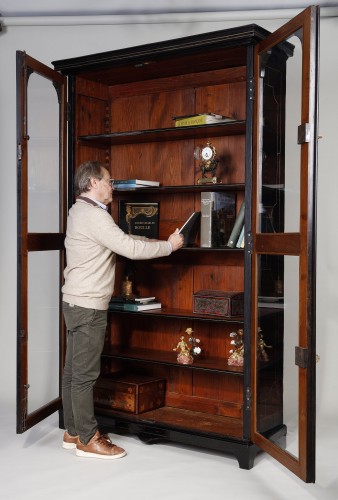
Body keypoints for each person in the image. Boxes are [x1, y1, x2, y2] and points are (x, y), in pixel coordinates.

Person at [61, 160, 184, 459]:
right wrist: (169, 246)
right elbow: (129, 249)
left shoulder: (80, 211)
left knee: (73, 371)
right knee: (85, 374)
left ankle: (74, 431)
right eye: (108, 180)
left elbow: (123, 241)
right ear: (92, 183)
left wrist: (154, 240)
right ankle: (89, 438)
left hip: (74, 301)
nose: (112, 185)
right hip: (88, 305)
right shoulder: (95, 216)